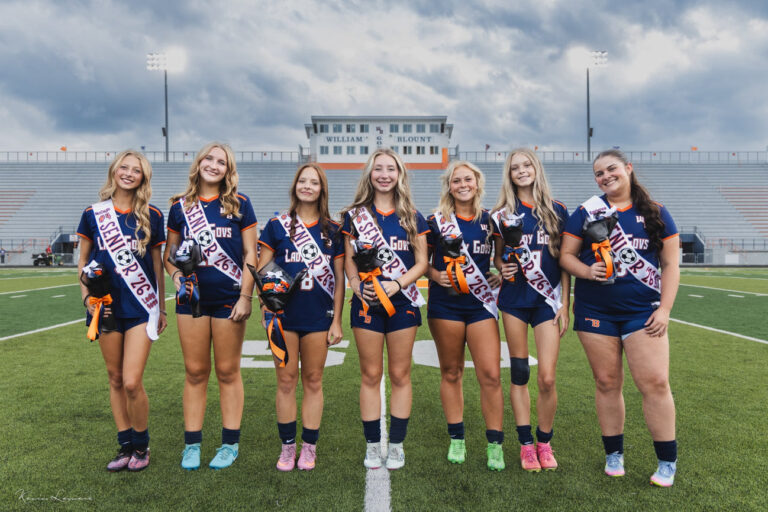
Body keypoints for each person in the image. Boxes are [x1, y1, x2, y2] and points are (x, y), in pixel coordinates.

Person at [559, 149, 680, 487]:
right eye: (599, 173)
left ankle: (667, 461)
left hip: (644, 312)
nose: (605, 176)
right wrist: (586, 269)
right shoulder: (586, 212)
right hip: (595, 311)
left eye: (611, 169)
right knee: (607, 383)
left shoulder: (656, 212)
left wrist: (665, 309)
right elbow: (566, 256)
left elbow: (671, 265)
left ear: (628, 168)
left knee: (655, 383)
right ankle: (614, 453)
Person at [164, 142, 258, 471]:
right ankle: (192, 444)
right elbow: (169, 256)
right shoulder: (180, 207)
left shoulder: (240, 204)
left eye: (221, 161)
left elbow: (251, 254)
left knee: (228, 372)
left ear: (228, 170)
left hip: (229, 298)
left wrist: (246, 296)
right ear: (199, 162)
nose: (214, 165)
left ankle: (229, 444)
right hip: (191, 299)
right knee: (194, 372)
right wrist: (177, 277)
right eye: (209, 158)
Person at [76, 149, 166, 472]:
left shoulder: (153, 215)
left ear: (143, 177)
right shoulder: (92, 214)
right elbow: (83, 264)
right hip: (106, 307)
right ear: (114, 171)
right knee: (114, 378)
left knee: (131, 381)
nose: (129, 173)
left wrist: (162, 309)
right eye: (124, 167)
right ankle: (125, 446)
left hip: (142, 307)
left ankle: (142, 446)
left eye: (136, 170)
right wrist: (88, 298)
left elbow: (157, 267)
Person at [341, 148, 429, 470]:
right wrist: (354, 284)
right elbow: (348, 262)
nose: (384, 174)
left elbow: (422, 263)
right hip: (366, 303)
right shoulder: (355, 216)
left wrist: (399, 283)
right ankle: (372, 444)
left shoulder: (412, 216)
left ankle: (397, 445)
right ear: (370, 173)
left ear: (399, 174)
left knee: (400, 374)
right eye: (378, 168)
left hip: (402, 302)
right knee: (370, 374)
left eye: (390, 169)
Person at [257, 163, 345, 471]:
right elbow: (262, 271)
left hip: (318, 316)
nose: (307, 186)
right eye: (302, 181)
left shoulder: (333, 230)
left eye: (314, 182)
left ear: (322, 189)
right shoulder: (276, 225)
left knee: (313, 379)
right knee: (285, 380)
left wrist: (336, 320)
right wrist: (265, 304)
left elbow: (339, 279)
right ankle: (287, 447)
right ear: (295, 185)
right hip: (283, 317)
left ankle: (309, 447)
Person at [491, 148, 570, 472]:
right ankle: (526, 445)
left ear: (536, 168)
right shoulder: (500, 214)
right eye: (515, 168)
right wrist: (501, 268)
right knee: (521, 373)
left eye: (526, 165)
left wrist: (566, 303)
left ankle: (544, 441)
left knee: (548, 378)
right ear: (509, 175)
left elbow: (564, 261)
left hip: (547, 302)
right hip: (513, 301)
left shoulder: (558, 211)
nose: (521, 171)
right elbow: (496, 258)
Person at [425, 160, 505, 470]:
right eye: (456, 180)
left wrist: (499, 272)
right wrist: (435, 274)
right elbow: (422, 261)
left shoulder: (491, 220)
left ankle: (494, 443)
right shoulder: (435, 221)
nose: (462, 184)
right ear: (449, 185)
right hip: (445, 306)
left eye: (467, 179)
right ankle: (457, 437)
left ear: (477, 183)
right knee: (451, 371)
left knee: (491, 374)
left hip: (481, 306)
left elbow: (499, 258)